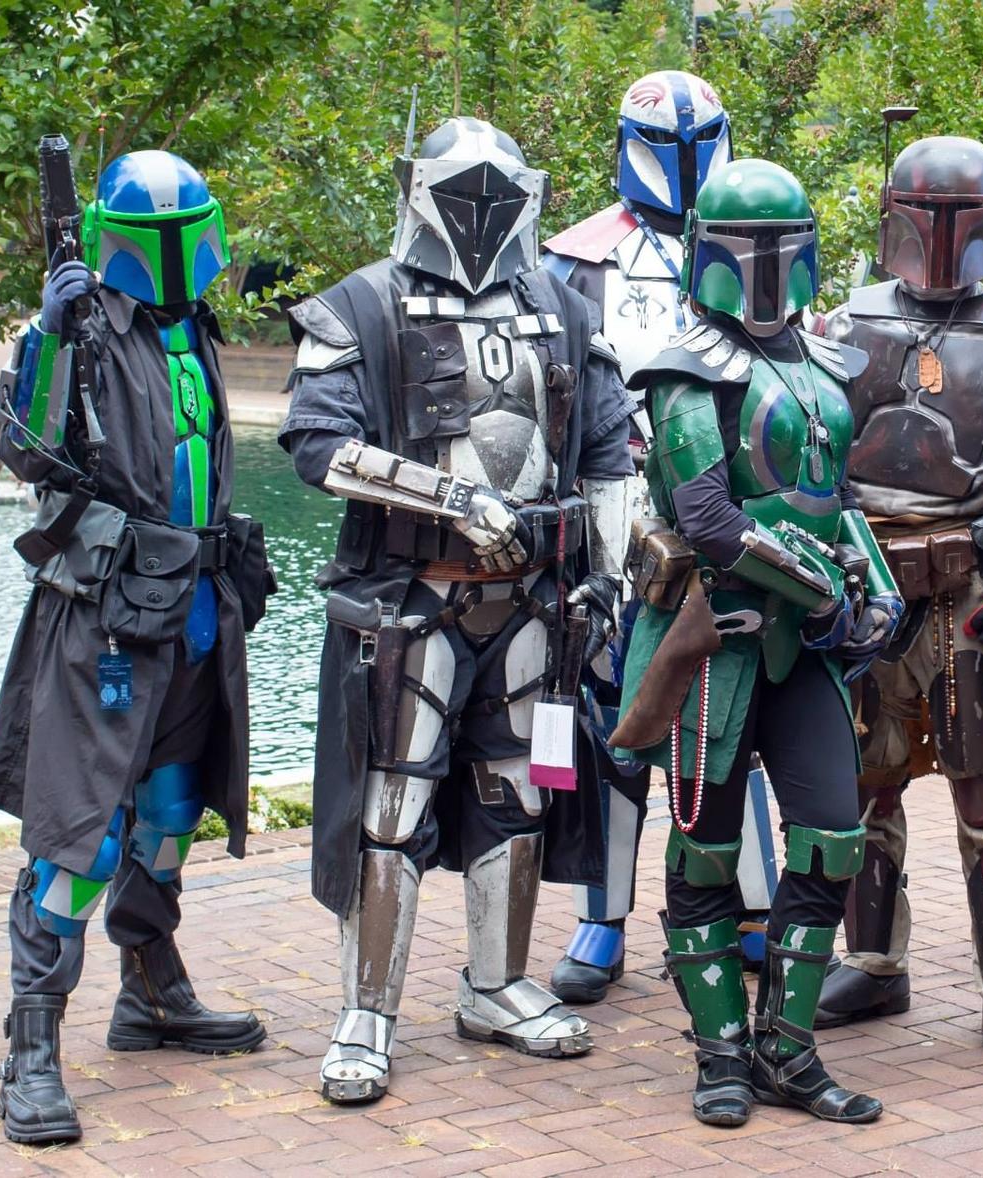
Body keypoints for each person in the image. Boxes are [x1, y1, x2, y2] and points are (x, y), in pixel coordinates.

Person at [278, 116, 636, 1106]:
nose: (481, 214)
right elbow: (318, 443)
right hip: (412, 602)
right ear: (418, 191)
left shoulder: (564, 311)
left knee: (520, 790)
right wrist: (453, 501)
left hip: (535, 604)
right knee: (390, 803)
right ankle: (368, 1010)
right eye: (461, 193)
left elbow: (610, 453)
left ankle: (497, 983)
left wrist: (604, 579)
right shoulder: (363, 306)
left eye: (499, 195)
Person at [0, 148, 272, 1144]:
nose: (177, 254)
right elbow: (27, 450)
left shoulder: (195, 326)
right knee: (82, 837)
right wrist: (49, 336)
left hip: (195, 612)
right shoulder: (80, 329)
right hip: (104, 622)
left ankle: (150, 989)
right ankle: (31, 1050)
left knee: (171, 811)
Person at [608, 159, 901, 1127]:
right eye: (751, 247)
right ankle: (720, 1053)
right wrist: (821, 589)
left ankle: (787, 1045)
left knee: (832, 836)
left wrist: (875, 586)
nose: (768, 265)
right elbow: (708, 519)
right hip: (716, 642)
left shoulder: (818, 364)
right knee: (706, 852)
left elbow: (836, 498)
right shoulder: (685, 367)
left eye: (783, 245)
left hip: (803, 649)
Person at [812, 133, 983, 1057]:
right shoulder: (847, 321)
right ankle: (875, 962)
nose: (941, 235)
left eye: (959, 216)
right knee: (862, 783)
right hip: (867, 580)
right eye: (927, 214)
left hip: (966, 588)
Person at [543, 70, 779, 1004]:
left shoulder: (756, 236)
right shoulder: (577, 262)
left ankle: (750, 907)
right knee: (615, 717)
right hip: (621, 517)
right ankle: (603, 916)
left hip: (732, 511)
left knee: (739, 711)